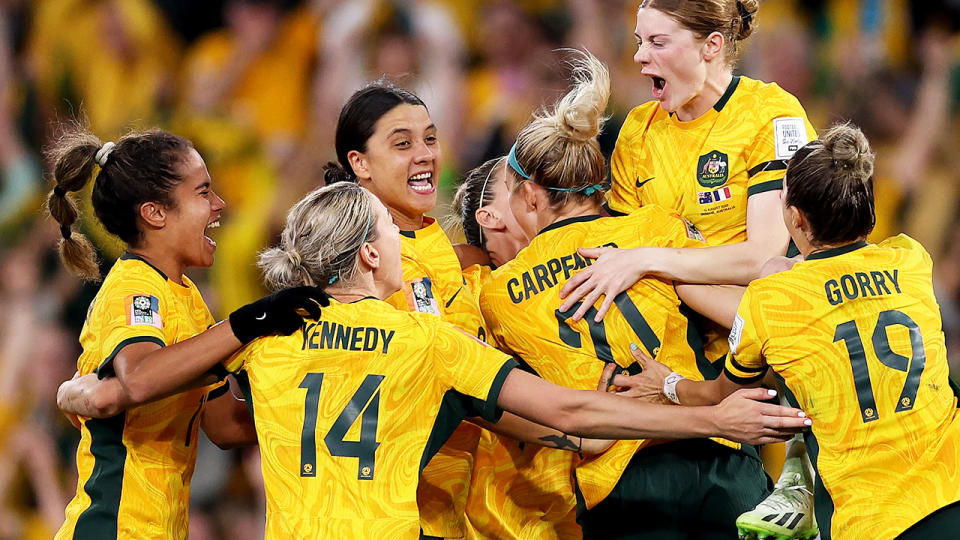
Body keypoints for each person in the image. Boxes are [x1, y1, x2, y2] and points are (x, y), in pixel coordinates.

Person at [57, 181, 811, 540]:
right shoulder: (426, 344)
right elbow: (568, 411)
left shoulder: (266, 342)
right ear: (370, 254)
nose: (407, 240)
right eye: (391, 227)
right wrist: (709, 411)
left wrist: (86, 397)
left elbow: (219, 424)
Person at [460, 49, 770, 540]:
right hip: (722, 457)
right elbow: (754, 319)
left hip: (621, 486)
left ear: (532, 197)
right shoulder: (656, 230)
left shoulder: (500, 296)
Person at [614, 124, 960, 540]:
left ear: (795, 216)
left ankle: (796, 485)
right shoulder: (911, 259)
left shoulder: (772, 299)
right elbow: (844, 293)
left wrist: (668, 384)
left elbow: (724, 395)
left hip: (876, 519)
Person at [556, 2, 818, 536]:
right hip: (678, 373)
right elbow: (626, 263)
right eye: (637, 40)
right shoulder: (637, 132)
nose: (638, 57)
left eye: (656, 42)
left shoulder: (772, 113)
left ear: (712, 45)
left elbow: (760, 257)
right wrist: (646, 264)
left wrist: (648, 260)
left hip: (774, 369)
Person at [46, 124, 326, 540]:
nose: (220, 204)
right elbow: (139, 377)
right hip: (112, 528)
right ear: (155, 212)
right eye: (203, 192)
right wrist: (248, 324)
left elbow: (226, 426)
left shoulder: (187, 297)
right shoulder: (135, 287)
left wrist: (320, 407)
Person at [322, 81, 489, 538]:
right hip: (397, 515)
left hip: (455, 512)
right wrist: (572, 420)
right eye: (402, 143)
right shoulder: (356, 269)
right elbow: (455, 385)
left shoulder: (440, 247)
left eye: (430, 139)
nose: (425, 155)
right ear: (359, 163)